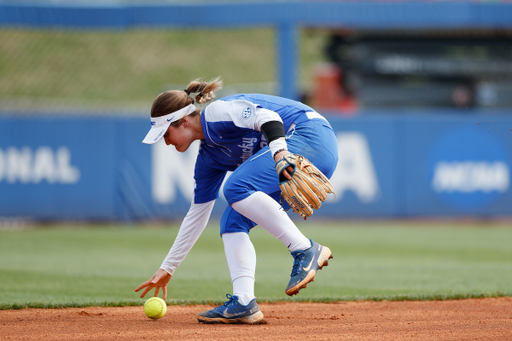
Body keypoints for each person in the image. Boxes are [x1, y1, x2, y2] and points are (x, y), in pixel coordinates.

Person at [135, 77, 338, 324]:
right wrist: (168, 268)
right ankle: (244, 302)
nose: (166, 141)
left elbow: (269, 119)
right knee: (233, 221)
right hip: (292, 159)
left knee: (236, 187)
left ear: (184, 121)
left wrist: (280, 153)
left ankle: (305, 250)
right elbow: (197, 216)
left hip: (310, 135)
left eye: (166, 133)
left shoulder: (216, 113)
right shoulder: (209, 159)